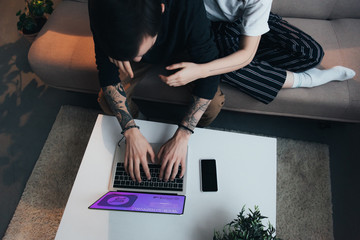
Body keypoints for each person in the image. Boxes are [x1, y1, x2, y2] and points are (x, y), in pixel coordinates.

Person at [88, 0, 224, 183]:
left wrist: (183, 135)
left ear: (161, 9)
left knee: (213, 105)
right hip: (124, 49)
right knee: (107, 100)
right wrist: (130, 131)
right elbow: (106, 70)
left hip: (185, 53)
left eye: (142, 51)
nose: (138, 58)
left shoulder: (188, 5)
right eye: (135, 55)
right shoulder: (101, 6)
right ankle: (141, 129)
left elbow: (209, 70)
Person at [160, 0, 356, 104]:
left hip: (241, 20)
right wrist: (205, 68)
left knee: (311, 54)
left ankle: (244, 62)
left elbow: (246, 53)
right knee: (221, 66)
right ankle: (307, 80)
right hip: (204, 25)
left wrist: (201, 71)